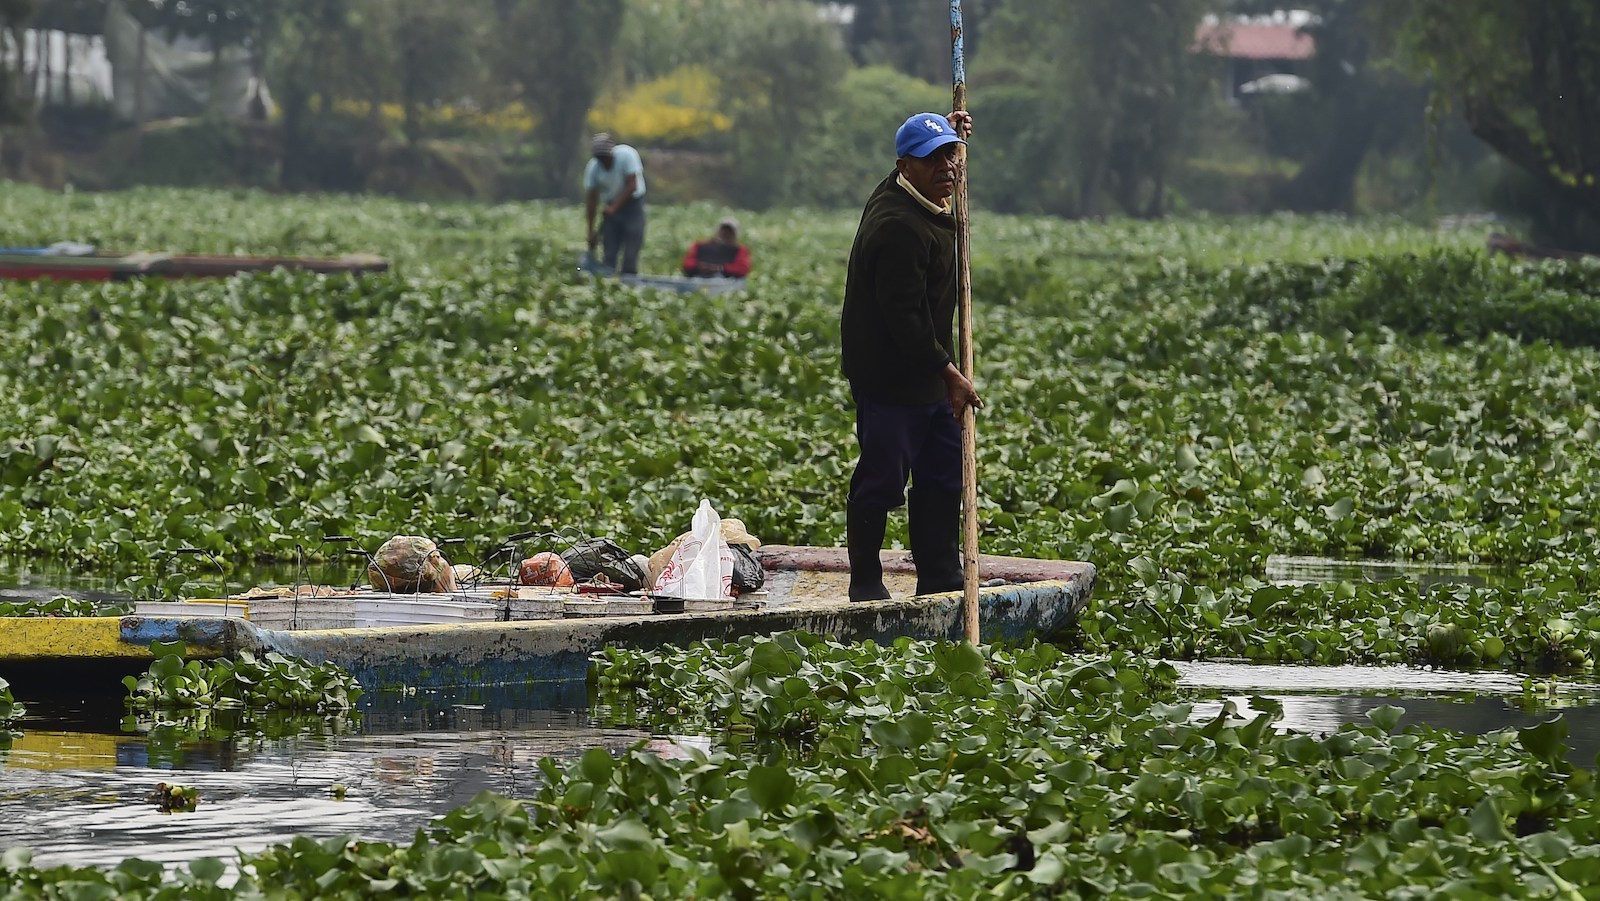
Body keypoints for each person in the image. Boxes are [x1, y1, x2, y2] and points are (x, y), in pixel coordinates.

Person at [840, 110, 981, 602]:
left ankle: (940, 577)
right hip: (891, 375)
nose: (947, 167)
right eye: (932, 159)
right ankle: (865, 583)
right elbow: (907, 322)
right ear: (905, 166)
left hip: (930, 370)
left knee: (942, 475)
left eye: (949, 156)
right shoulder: (897, 225)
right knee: (881, 478)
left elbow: (923, 152)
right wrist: (951, 375)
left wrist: (941, 129)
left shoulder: (919, 195)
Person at [583, 133, 647, 275]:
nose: (604, 161)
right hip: (611, 208)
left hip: (633, 206)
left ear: (612, 152)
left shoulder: (627, 155)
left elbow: (632, 186)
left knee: (631, 250)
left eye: (606, 157)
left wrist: (614, 208)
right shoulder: (593, 168)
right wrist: (590, 231)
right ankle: (607, 281)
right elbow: (592, 200)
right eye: (600, 158)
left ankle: (629, 279)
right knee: (609, 251)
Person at [681, 217, 751, 279]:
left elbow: (741, 269)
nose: (726, 233)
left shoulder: (740, 250)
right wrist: (700, 266)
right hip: (698, 278)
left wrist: (721, 269)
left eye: (730, 231)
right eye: (724, 230)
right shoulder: (701, 245)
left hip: (724, 281)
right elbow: (687, 263)